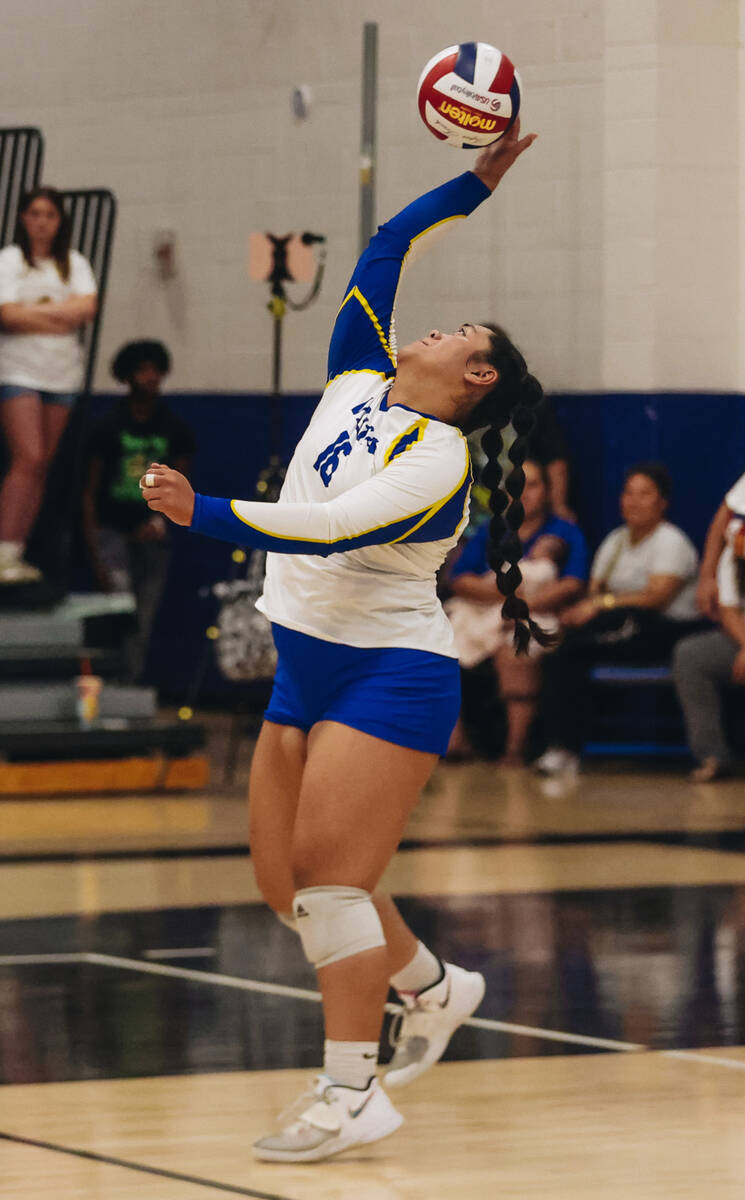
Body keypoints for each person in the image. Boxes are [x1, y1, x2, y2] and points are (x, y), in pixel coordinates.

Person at [141, 123, 547, 1162]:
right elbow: (383, 249)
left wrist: (207, 512)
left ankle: (351, 1090)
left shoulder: (440, 460)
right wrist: (472, 184)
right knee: (288, 888)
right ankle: (432, 986)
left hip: (387, 679)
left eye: (465, 333)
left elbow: (328, 527)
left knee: (329, 883)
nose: (442, 327)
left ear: (478, 380)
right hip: (306, 665)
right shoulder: (355, 381)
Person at [535, 462, 700, 776]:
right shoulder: (615, 541)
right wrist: (580, 611)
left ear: (662, 502)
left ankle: (565, 749)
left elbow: (656, 597)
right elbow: (594, 591)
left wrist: (602, 604)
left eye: (644, 494)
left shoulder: (671, 542)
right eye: (628, 493)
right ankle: (552, 744)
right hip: (621, 625)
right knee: (558, 646)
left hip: (664, 630)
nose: (633, 501)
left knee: (573, 653)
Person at [446, 458, 587, 763]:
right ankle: (454, 741)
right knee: (439, 641)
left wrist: (522, 604)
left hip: (537, 612)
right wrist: (500, 593)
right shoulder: (491, 530)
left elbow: (572, 585)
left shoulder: (565, 532)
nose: (524, 492)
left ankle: (515, 748)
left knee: (516, 648)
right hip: (485, 607)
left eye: (533, 485)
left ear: (547, 492)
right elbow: (459, 579)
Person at [81, 341, 195, 682]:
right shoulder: (107, 427)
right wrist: (94, 551)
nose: (150, 377)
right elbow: (89, 490)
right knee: (118, 613)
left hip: (152, 535)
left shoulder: (174, 428)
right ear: (127, 375)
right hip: (111, 534)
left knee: (141, 621)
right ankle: (106, 690)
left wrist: (161, 519)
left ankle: (129, 689)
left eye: (155, 370)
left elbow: (182, 485)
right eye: (142, 369)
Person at [0, 187, 97, 584]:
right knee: (28, 456)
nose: (42, 222)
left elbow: (86, 309)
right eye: (35, 213)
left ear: (60, 222)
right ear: (24, 218)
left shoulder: (73, 263)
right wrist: (60, 316)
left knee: (42, 465)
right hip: (19, 373)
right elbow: (6, 315)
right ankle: (3, 547)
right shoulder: (9, 260)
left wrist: (32, 313)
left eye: (50, 215)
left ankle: (15, 551)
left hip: (62, 376)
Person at [672, 471, 745, 781]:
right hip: (742, 635)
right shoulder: (737, 543)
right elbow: (728, 606)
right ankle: (713, 756)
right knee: (692, 655)